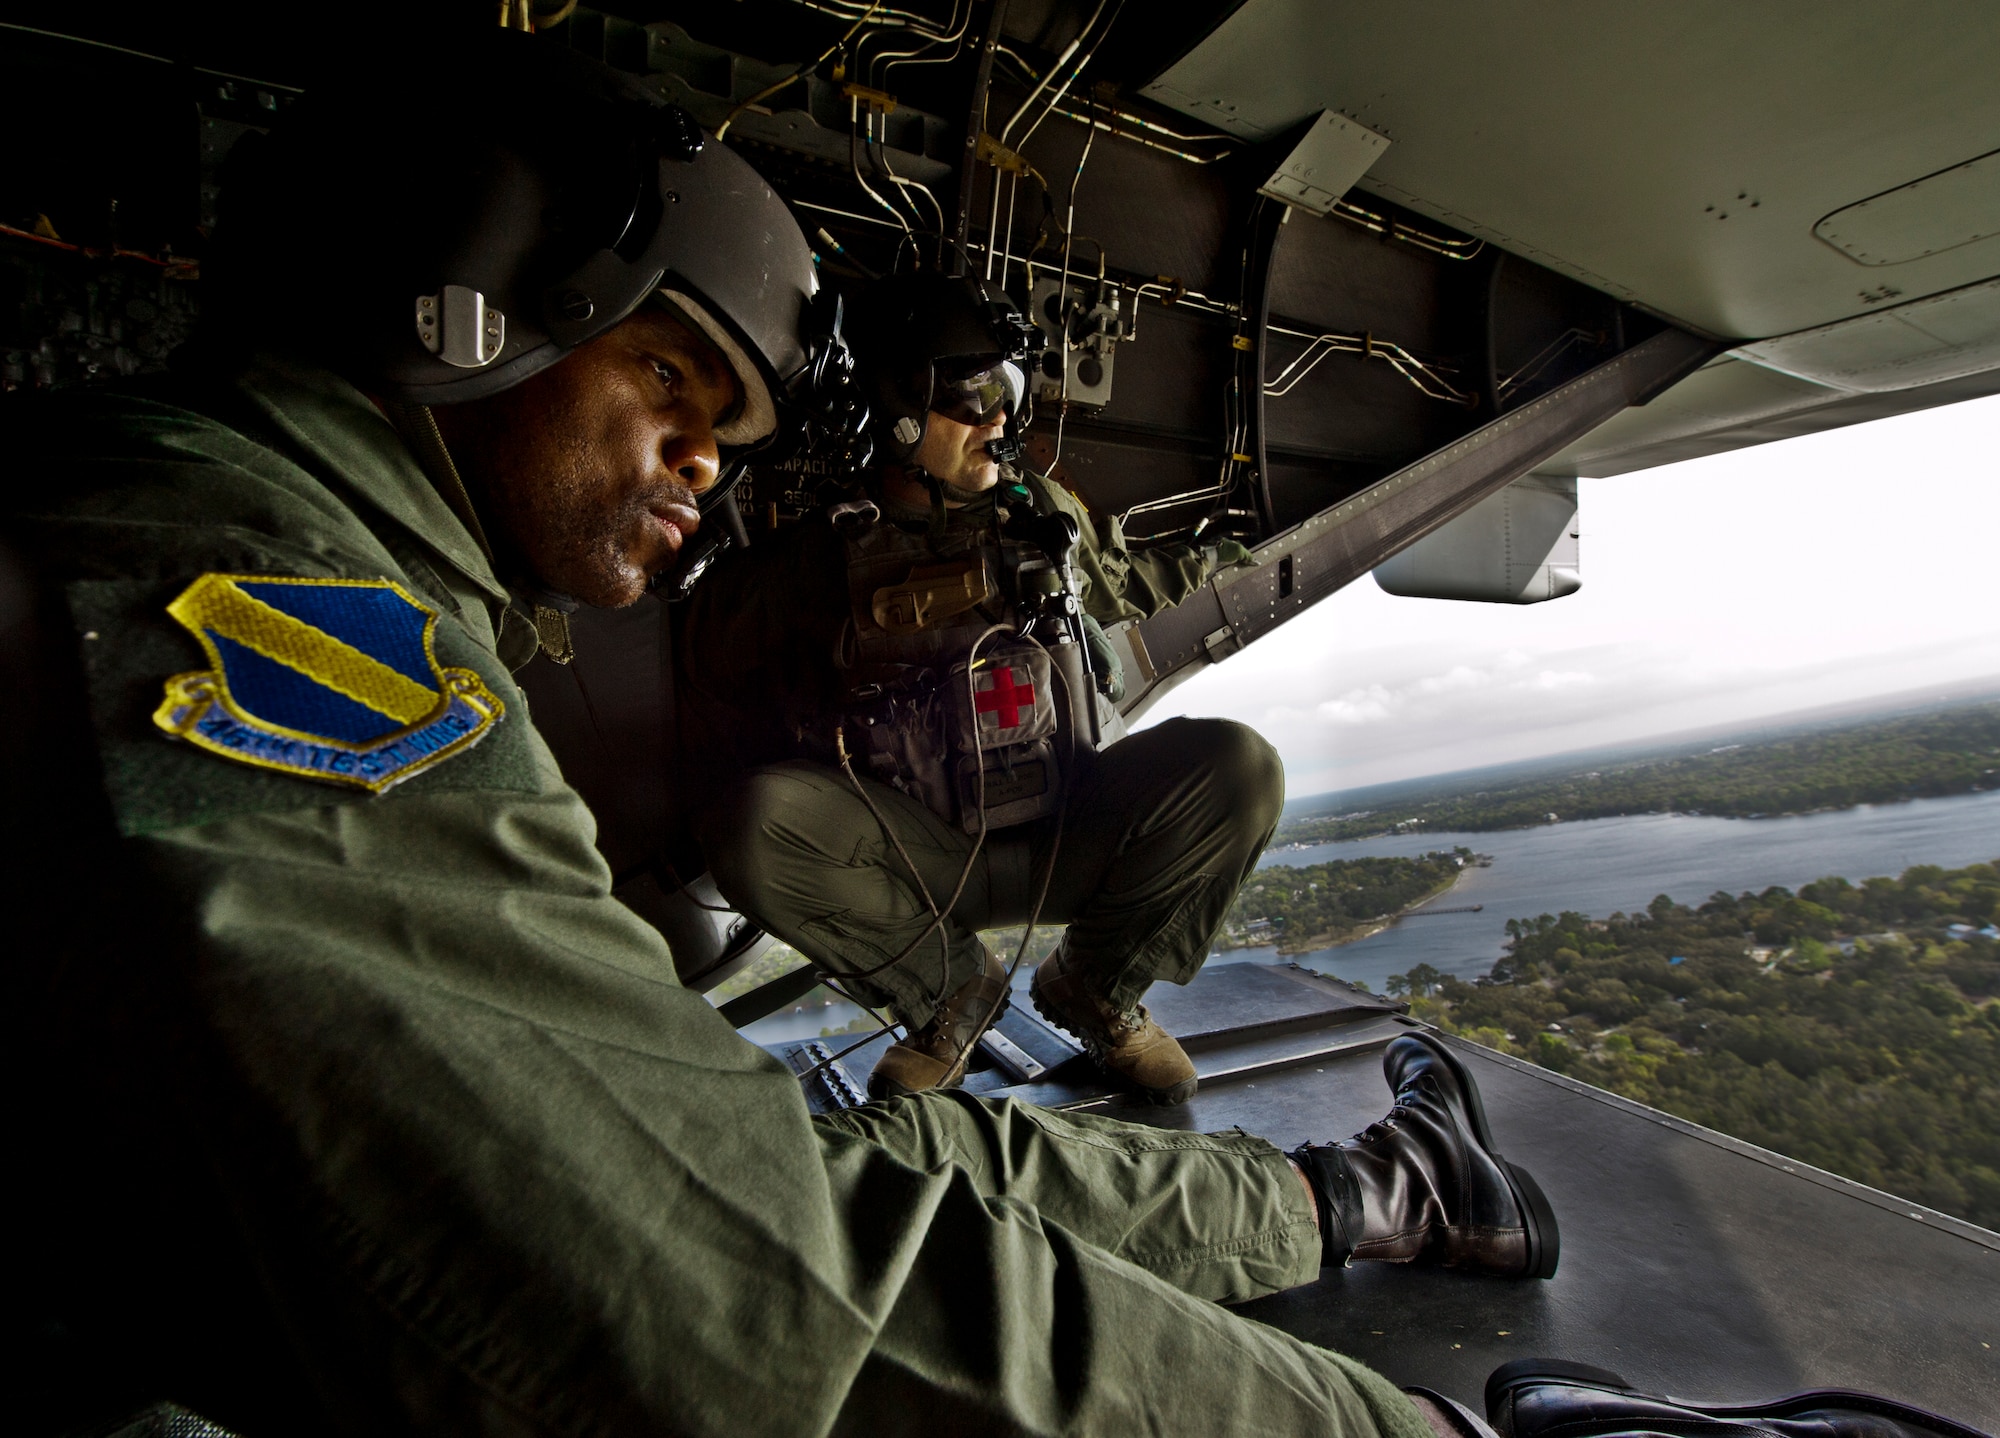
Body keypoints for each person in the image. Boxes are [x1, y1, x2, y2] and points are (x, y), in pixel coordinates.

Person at [7, 24, 1979, 1438]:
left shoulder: (259, 545)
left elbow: (734, 1199)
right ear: (467, 303)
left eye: (740, 425)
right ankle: (1135, 1092)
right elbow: (729, 1311)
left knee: (886, 1129)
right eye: (672, 380)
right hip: (894, 872)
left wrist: (1053, 591)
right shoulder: (225, 602)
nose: (702, 457)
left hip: (1023, 847)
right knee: (823, 1140)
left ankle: (1353, 1187)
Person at [679, 270, 1275, 1103]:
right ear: (897, 407)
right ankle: (951, 993)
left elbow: (1131, 578)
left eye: (1010, 390)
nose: (999, 417)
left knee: (1238, 767)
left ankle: (1097, 990)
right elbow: (710, 670)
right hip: (916, 860)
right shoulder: (814, 563)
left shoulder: (1044, 517)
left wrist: (1242, 549)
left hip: (1062, 828)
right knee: (752, 823)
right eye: (972, 394)